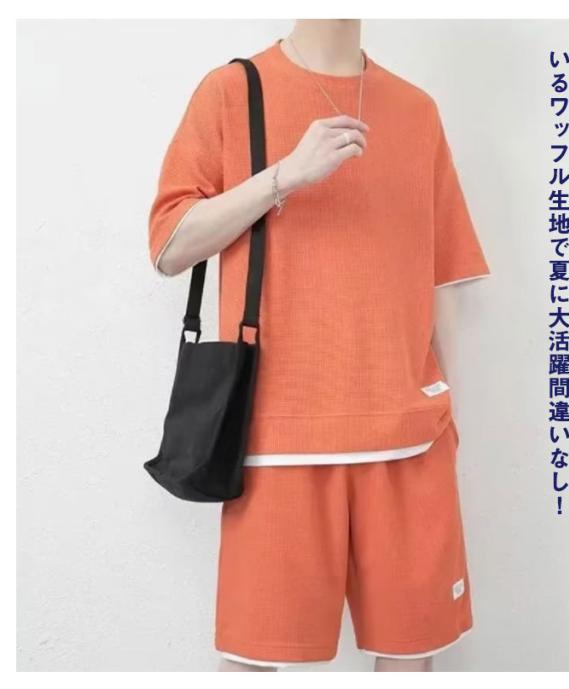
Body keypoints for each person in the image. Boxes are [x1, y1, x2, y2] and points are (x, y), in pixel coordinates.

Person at [148, 19, 491, 672]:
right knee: (251, 660)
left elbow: (441, 279)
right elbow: (168, 246)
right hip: (278, 439)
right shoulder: (232, 91)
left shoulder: (415, 111)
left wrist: (451, 416)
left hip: (409, 439)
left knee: (412, 655)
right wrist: (284, 176)